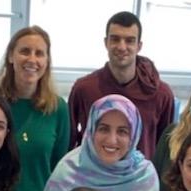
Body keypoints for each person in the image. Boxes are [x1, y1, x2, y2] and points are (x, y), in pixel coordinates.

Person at [68, 11, 175, 160]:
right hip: (92, 179)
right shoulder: (84, 89)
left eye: (129, 40)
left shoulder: (161, 94)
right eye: (115, 39)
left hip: (140, 180)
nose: (122, 47)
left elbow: (165, 150)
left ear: (139, 46)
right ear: (106, 42)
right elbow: (70, 140)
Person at [0, 26, 70, 191]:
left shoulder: (58, 108)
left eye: (39, 53)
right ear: (11, 56)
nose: (32, 59)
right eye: (25, 51)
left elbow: (59, 168)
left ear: (47, 61)